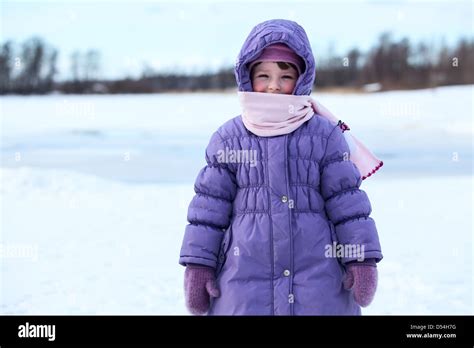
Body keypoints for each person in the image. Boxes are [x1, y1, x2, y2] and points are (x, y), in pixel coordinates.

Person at [179, 19, 383, 315]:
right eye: (263, 75)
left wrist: (361, 258)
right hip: (243, 280)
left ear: (301, 79)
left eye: (285, 76)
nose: (274, 85)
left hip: (317, 279)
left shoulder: (324, 135)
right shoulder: (229, 138)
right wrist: (198, 264)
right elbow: (208, 210)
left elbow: (348, 205)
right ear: (247, 78)